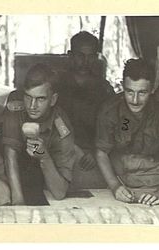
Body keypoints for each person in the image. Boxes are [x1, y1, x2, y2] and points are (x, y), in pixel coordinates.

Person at [96, 58, 159, 206]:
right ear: (122, 86)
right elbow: (101, 152)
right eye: (129, 92)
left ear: (153, 88)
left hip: (156, 176)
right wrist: (115, 186)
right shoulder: (110, 110)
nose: (135, 100)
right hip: (121, 175)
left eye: (142, 93)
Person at [2, 63, 75, 205]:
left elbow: (59, 192)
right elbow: (9, 155)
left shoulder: (61, 125)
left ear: (53, 99)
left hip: (42, 172)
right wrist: (18, 203)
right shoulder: (15, 104)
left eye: (41, 99)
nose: (32, 106)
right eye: (28, 97)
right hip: (12, 168)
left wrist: (44, 157)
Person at [57, 31, 115, 189]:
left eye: (90, 56)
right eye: (80, 56)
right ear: (70, 55)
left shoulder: (104, 89)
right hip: (61, 150)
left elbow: (119, 124)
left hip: (93, 155)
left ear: (96, 57)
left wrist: (98, 151)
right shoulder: (57, 85)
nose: (85, 62)